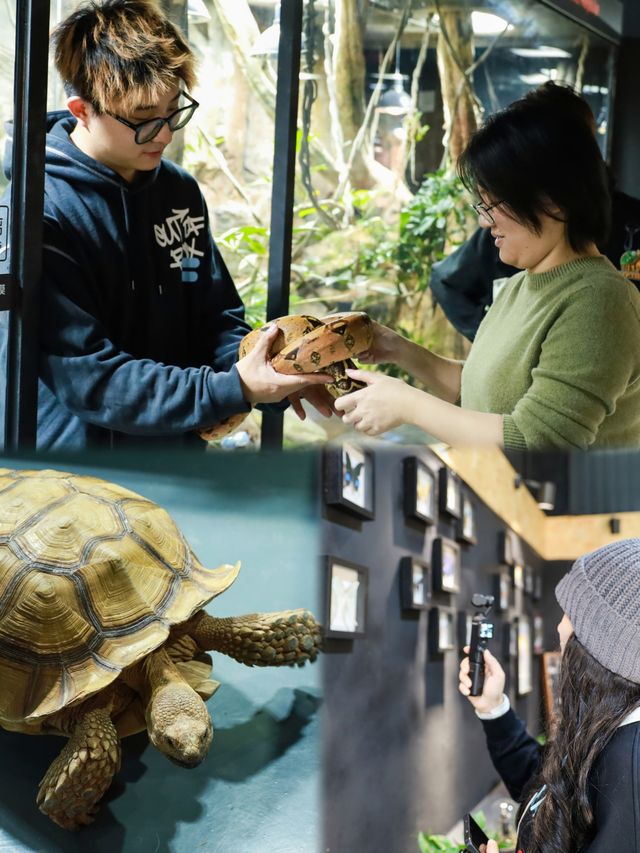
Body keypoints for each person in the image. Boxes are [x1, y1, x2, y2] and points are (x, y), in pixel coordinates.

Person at [0, 0, 329, 450]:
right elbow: (90, 378)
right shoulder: (39, 213)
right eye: (141, 119)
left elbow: (217, 319)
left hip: (179, 454)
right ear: (81, 109)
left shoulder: (178, 191)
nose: (164, 134)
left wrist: (274, 370)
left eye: (173, 110)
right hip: (76, 478)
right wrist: (233, 390)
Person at [334, 87, 640, 449]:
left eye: (494, 205)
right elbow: (484, 394)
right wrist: (399, 349)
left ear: (554, 200)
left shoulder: (599, 301)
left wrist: (408, 404)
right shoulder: (517, 286)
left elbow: (540, 443)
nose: (485, 223)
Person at [458, 539, 640, 853]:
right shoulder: (603, 726)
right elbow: (544, 786)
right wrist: (493, 707)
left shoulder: (630, 765)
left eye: (570, 614)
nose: (560, 626)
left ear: (600, 644)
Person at [429, 83, 640, 342]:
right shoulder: (510, 250)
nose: (486, 221)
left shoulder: (598, 298)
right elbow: (446, 280)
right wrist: (488, 340)